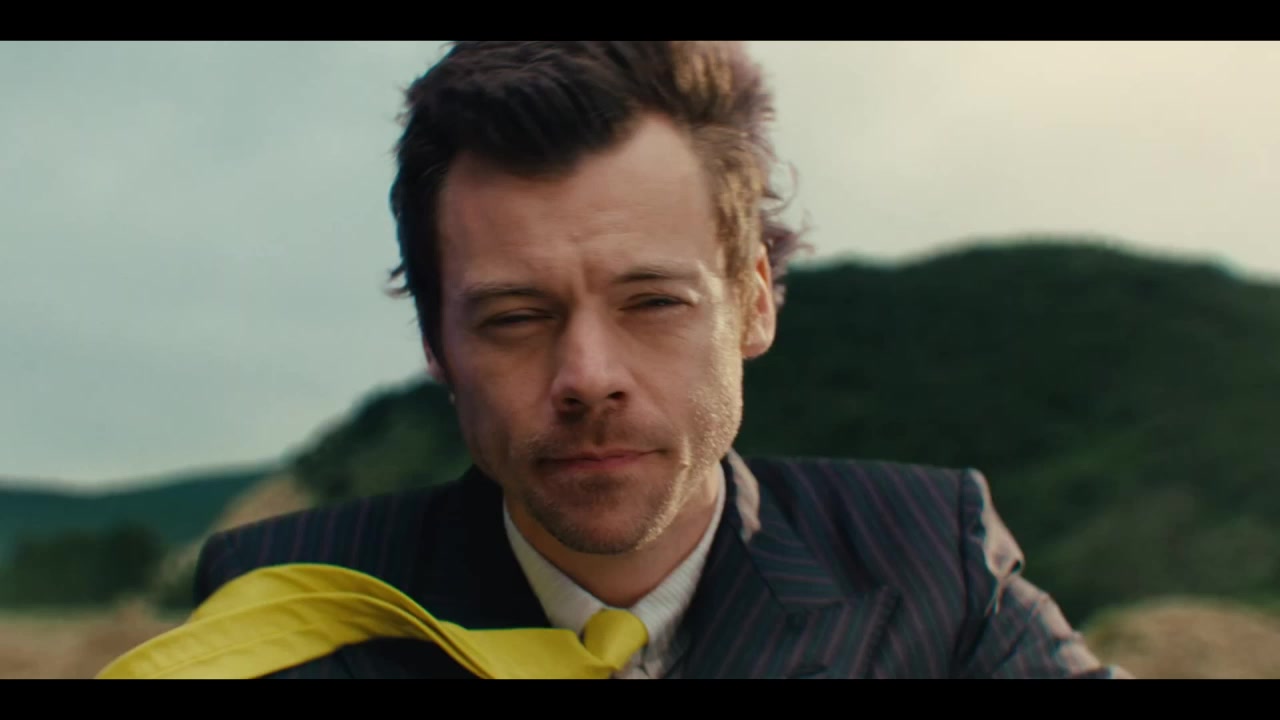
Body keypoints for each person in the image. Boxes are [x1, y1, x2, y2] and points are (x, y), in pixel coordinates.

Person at [162, 41, 1129, 679]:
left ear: (754, 301)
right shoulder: (286, 600)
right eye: (515, 316)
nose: (588, 377)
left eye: (655, 302)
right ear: (435, 344)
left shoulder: (930, 554)